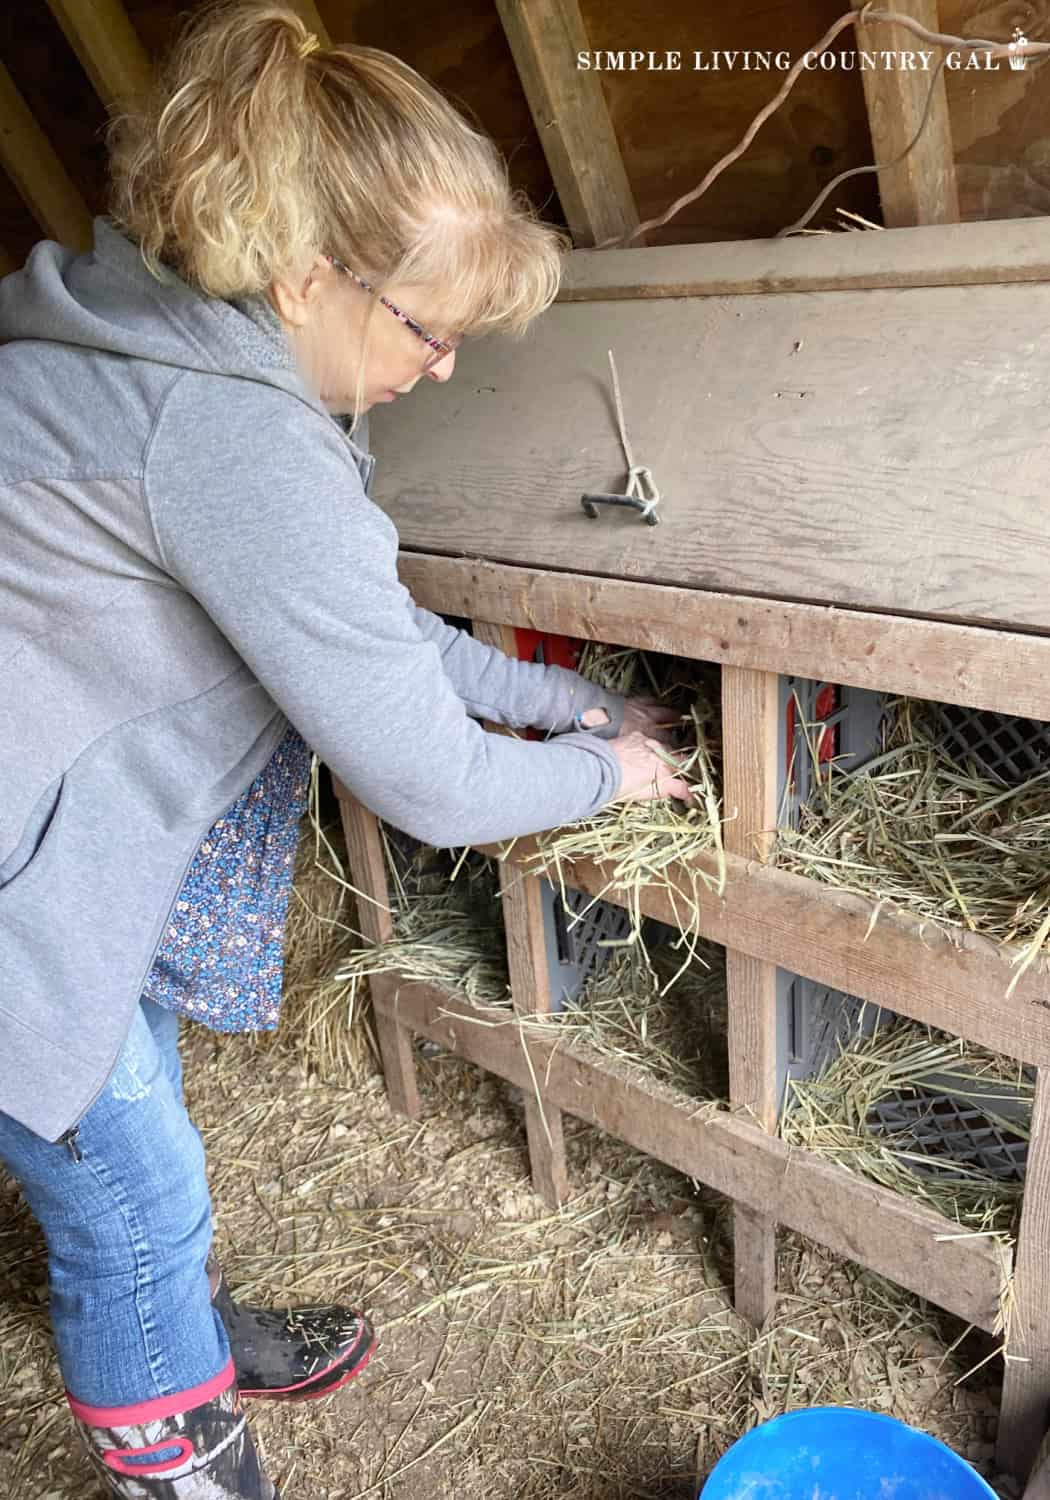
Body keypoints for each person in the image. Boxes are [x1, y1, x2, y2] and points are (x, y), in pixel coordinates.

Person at [0, 4, 690, 1496]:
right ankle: (177, 1450)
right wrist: (608, 779)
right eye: (427, 328)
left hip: (47, 834)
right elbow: (426, 781)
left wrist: (562, 705)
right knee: (131, 1190)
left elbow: (360, 631)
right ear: (312, 276)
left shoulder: (141, 334)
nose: (442, 367)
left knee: (133, 1147)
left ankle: (165, 1319)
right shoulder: (228, 435)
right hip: (17, 888)